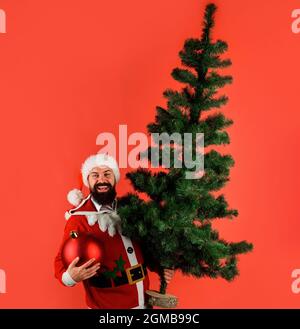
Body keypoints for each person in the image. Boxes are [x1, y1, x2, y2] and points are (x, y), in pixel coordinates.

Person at [54, 153, 174, 309]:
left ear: (114, 178)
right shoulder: (78, 220)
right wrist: (70, 277)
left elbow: (143, 248)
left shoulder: (130, 208)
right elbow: (61, 260)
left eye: (107, 174)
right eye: (95, 175)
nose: (102, 180)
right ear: (88, 180)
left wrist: (159, 267)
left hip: (143, 302)